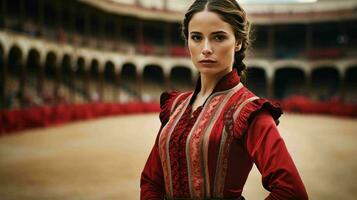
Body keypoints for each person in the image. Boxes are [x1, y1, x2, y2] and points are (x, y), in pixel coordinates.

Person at [140, 0, 308, 199]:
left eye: (218, 37)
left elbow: (291, 192)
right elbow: (151, 181)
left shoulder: (249, 111)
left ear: (238, 42)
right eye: (196, 37)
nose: (206, 48)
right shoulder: (175, 105)